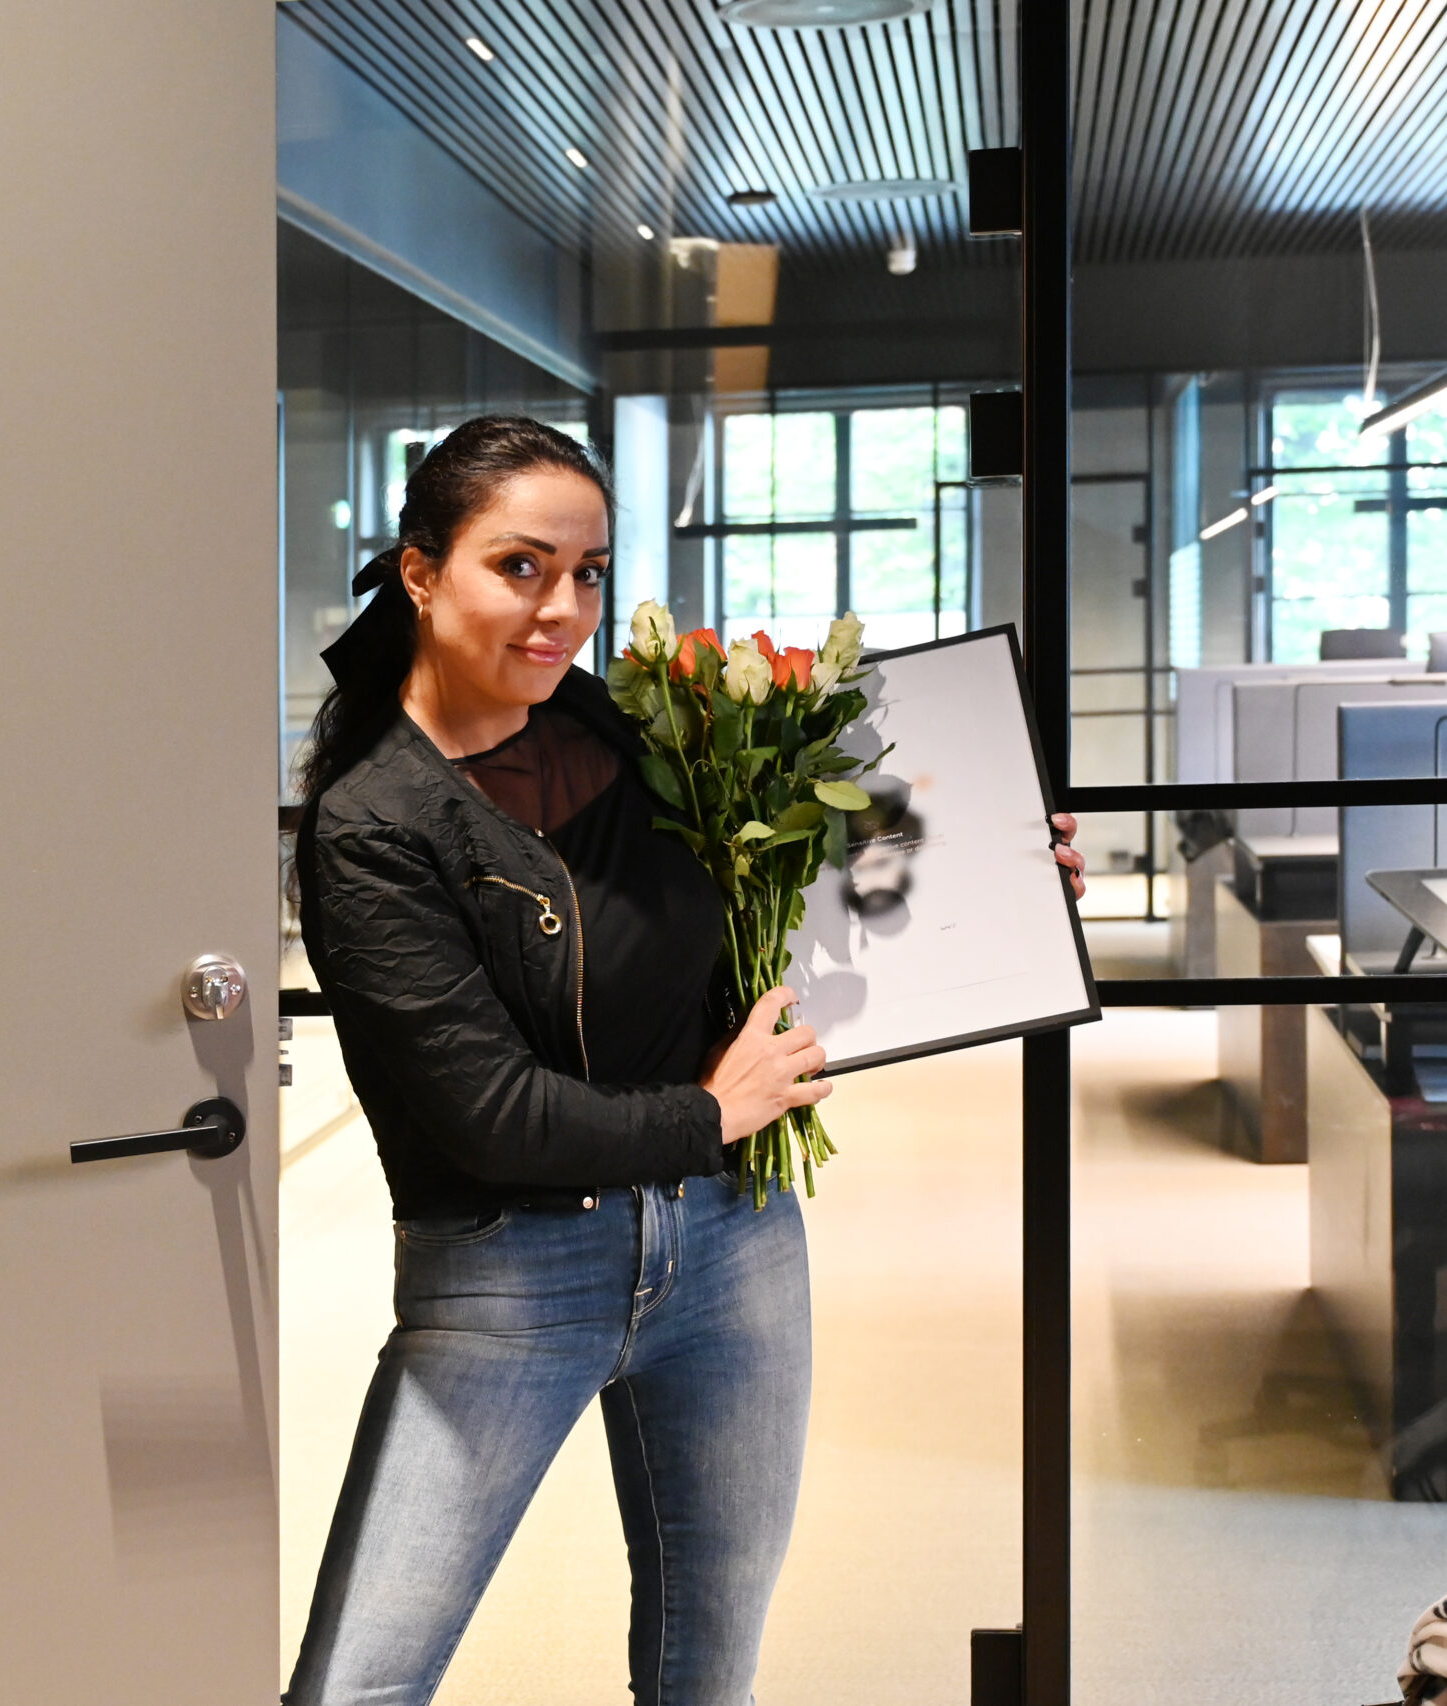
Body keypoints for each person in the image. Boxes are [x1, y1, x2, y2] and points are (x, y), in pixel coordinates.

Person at [285, 415, 1084, 1706]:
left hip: (731, 1244)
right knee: (358, 1683)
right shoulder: (374, 822)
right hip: (510, 1276)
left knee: (708, 1673)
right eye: (521, 566)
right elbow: (492, 1114)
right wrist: (710, 1115)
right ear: (421, 573)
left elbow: (784, 881)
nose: (562, 608)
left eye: (588, 572)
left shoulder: (617, 727)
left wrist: (1001, 867)